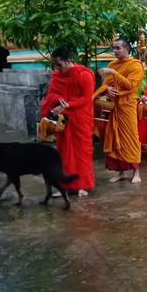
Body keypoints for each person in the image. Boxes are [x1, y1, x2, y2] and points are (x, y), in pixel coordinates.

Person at [41, 48, 95, 196]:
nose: (57, 68)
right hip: (63, 120)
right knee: (64, 152)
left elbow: (86, 98)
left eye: (59, 64)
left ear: (69, 61)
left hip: (80, 118)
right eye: (55, 65)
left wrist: (68, 105)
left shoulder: (84, 75)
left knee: (82, 153)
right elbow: (51, 93)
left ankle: (82, 185)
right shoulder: (57, 75)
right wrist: (59, 101)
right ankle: (65, 184)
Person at [94, 37, 145, 184]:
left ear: (126, 49)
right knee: (115, 139)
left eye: (118, 48)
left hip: (127, 107)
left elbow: (130, 86)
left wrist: (113, 73)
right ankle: (121, 171)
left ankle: (136, 172)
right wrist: (107, 90)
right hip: (114, 106)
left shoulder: (136, 65)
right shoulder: (113, 64)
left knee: (131, 139)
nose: (114, 51)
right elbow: (106, 85)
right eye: (113, 48)